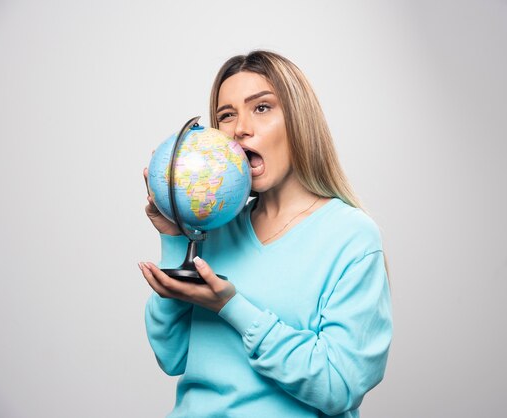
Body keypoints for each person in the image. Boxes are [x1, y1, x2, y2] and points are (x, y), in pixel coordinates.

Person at [139, 50, 392, 418]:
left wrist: (232, 306)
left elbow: (340, 386)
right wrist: (177, 237)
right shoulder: (213, 227)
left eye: (261, 108)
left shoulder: (351, 236)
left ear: (299, 121)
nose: (240, 128)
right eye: (226, 115)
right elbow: (172, 355)